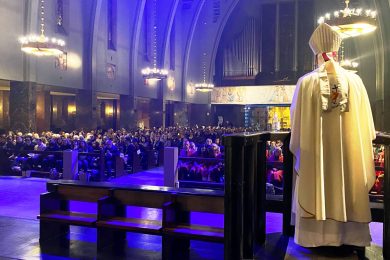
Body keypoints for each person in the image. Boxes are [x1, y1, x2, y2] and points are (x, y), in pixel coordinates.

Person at [290, 23, 376, 247]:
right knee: (349, 179)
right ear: (336, 53)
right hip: (349, 158)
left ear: (317, 54)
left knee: (315, 182)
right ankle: (350, 237)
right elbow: (367, 129)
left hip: (316, 157)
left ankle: (316, 238)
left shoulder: (305, 83)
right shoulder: (356, 82)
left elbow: (296, 130)